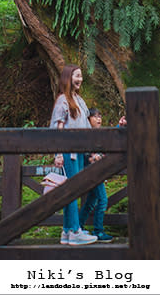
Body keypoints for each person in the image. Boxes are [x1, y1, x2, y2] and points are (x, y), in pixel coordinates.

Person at [50, 64, 98, 246]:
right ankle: (75, 231)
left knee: (74, 191)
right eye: (77, 76)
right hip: (68, 152)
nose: (80, 79)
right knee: (72, 191)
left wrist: (92, 150)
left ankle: (67, 231)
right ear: (68, 77)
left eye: (81, 76)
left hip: (79, 152)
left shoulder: (79, 100)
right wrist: (58, 153)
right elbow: (58, 128)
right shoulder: (63, 100)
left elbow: (85, 126)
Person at [78, 108, 113, 243]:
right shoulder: (86, 133)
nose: (98, 119)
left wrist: (119, 126)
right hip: (91, 172)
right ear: (88, 119)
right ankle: (98, 230)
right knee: (103, 200)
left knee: (91, 201)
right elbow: (82, 149)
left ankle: (79, 227)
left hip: (96, 171)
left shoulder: (98, 133)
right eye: (95, 117)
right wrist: (91, 156)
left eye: (100, 116)